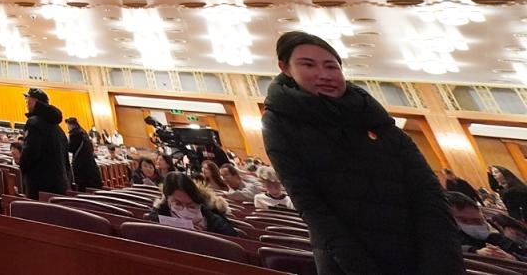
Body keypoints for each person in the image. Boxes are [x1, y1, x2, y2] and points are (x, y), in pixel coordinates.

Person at [262, 30, 462, 275]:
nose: (324, 75)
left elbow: (427, 193)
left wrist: (441, 262)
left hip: (415, 249)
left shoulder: (370, 113)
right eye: (308, 64)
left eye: (332, 66)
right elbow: (312, 206)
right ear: (285, 68)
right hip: (346, 259)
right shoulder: (279, 121)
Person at [144, 172, 238, 235]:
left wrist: (206, 237)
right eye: (178, 204)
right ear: (168, 200)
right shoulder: (159, 215)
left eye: (191, 206)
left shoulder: (214, 219)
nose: (185, 211)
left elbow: (231, 238)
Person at [19, 88, 69, 198]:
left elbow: (30, 154)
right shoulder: (58, 128)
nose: (26, 104)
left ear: (35, 101)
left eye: (28, 100)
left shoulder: (33, 123)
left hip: (40, 186)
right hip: (59, 185)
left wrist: (22, 167)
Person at [447, 193, 527, 261]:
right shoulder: (450, 246)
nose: (473, 225)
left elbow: (522, 253)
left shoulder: (494, 238)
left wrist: (513, 258)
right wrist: (475, 252)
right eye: (464, 221)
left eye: (478, 221)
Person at [65, 116, 102, 190]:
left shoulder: (74, 134)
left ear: (71, 125)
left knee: (82, 184)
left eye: (68, 125)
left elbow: (71, 148)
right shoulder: (84, 132)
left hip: (80, 163)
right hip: (89, 162)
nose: (67, 127)